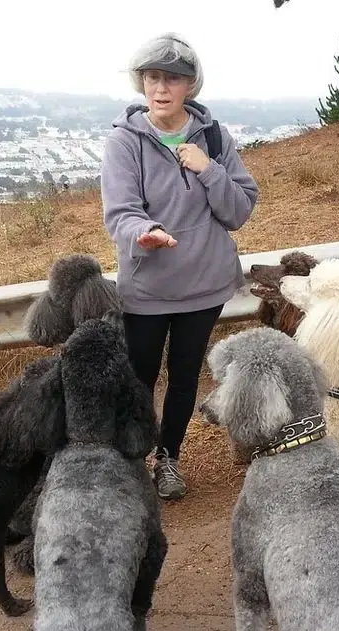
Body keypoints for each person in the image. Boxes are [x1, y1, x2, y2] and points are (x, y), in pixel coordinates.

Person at [100, 33, 260, 500]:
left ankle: (168, 458)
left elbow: (239, 210)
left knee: (186, 376)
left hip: (205, 284)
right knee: (140, 378)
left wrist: (208, 168)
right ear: (141, 83)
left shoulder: (213, 137)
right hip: (147, 286)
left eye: (172, 77)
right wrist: (143, 231)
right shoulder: (124, 143)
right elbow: (120, 211)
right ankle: (131, 461)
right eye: (152, 77)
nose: (161, 87)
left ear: (190, 85)